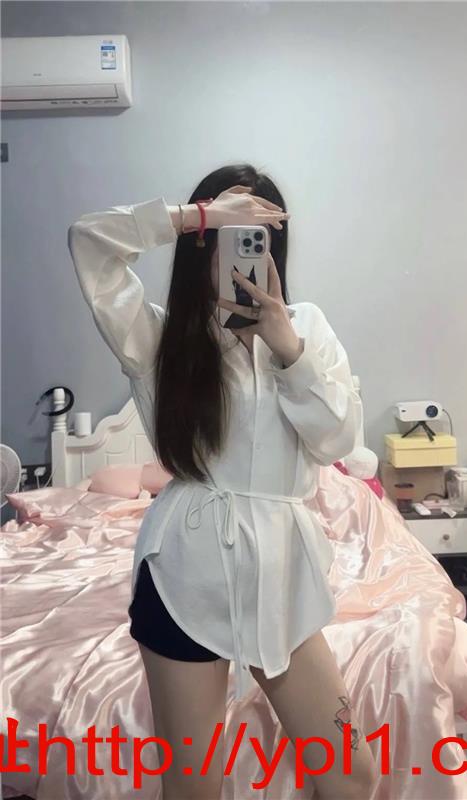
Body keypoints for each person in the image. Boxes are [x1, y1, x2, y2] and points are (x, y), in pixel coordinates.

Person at [68, 164, 376, 800]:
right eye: (233, 233)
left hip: (283, 574)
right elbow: (89, 240)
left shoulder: (307, 327)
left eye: (259, 235)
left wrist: (288, 349)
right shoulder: (157, 337)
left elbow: (337, 440)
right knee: (194, 789)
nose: (246, 248)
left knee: (350, 772)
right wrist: (197, 214)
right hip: (183, 572)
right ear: (202, 242)